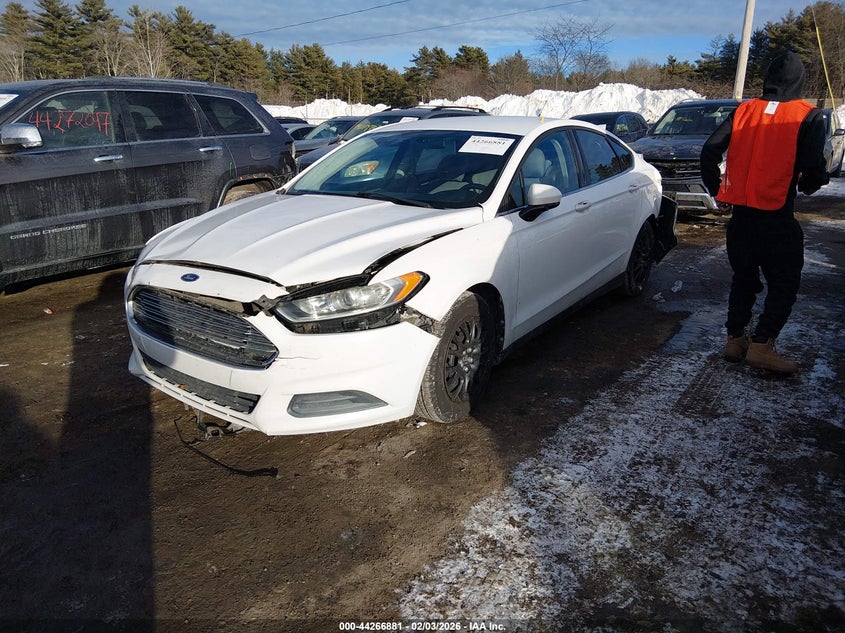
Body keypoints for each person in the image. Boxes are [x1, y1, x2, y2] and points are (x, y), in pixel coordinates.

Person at [700, 50, 829, 375]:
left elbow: (709, 151)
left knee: (743, 279)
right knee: (785, 281)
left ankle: (735, 340)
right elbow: (813, 165)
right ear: (799, 81)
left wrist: (718, 189)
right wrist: (810, 183)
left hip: (741, 220)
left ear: (768, 79)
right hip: (776, 218)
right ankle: (761, 345)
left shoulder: (744, 110)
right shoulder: (808, 116)